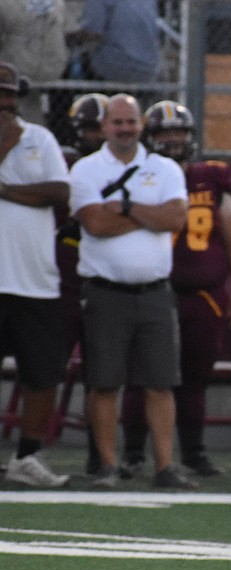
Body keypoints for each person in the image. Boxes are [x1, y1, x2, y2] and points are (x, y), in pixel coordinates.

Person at [118, 100, 231, 478]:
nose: (173, 140)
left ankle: (193, 452)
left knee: (195, 379)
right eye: (165, 134)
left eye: (179, 133)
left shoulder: (211, 177)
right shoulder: (141, 175)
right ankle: (132, 454)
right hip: (152, 290)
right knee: (141, 377)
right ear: (150, 138)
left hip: (203, 296)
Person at [68, 92, 192, 489]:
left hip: (155, 291)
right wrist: (146, 213)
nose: (125, 128)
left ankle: (165, 466)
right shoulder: (86, 169)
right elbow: (94, 224)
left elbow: (175, 218)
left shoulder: (166, 167)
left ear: (142, 125)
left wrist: (122, 208)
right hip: (106, 292)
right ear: (104, 126)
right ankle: (107, 466)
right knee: (104, 383)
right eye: (117, 122)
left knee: (161, 383)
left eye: (131, 121)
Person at [0, 60, 72, 487]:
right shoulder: (18, 139)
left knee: (43, 373)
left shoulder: (39, 137)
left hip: (34, 281)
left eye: (9, 94)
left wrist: (6, 190)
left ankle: (27, 456)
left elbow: (58, 192)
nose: (4, 102)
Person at [58, 91, 108, 475]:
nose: (97, 134)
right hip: (57, 274)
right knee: (47, 366)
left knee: (101, 372)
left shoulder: (121, 164)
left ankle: (99, 455)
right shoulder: (68, 163)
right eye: (90, 127)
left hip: (94, 275)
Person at [65, 0, 159, 84]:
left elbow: (93, 33)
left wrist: (64, 36)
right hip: (148, 69)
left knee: (66, 67)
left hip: (115, 67)